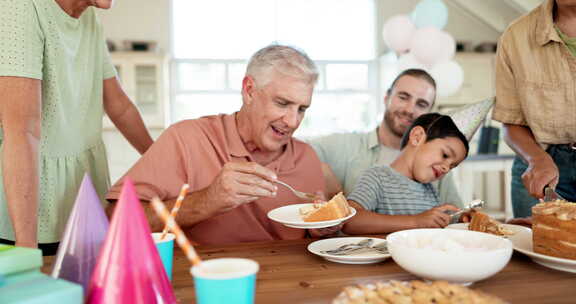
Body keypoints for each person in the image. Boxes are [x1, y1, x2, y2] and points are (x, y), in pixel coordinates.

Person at [106, 45, 335, 245]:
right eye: (282, 103)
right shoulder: (187, 139)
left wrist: (322, 230)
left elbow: (314, 243)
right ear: (249, 90)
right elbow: (115, 219)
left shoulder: (307, 159)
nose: (293, 121)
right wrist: (206, 200)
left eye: (302, 109)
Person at [0, 0, 154, 255]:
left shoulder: (89, 16)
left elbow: (118, 105)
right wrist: (26, 249)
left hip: (83, 205)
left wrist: (165, 162)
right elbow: (22, 132)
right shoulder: (21, 7)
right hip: (27, 220)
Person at [310, 69, 463, 207]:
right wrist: (324, 173)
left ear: (429, 112)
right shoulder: (345, 145)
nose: (410, 110)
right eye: (403, 97)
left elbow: (455, 215)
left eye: (421, 104)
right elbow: (296, 149)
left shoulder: (437, 165)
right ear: (386, 98)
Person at [494, 0, 576, 218]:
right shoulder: (515, 38)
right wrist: (537, 159)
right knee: (538, 247)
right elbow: (511, 122)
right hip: (542, 167)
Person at [342, 113, 468, 235]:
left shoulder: (431, 192)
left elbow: (431, 224)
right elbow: (349, 220)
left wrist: (459, 218)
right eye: (445, 155)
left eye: (452, 166)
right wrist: (416, 221)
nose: (446, 168)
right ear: (417, 137)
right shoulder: (377, 177)